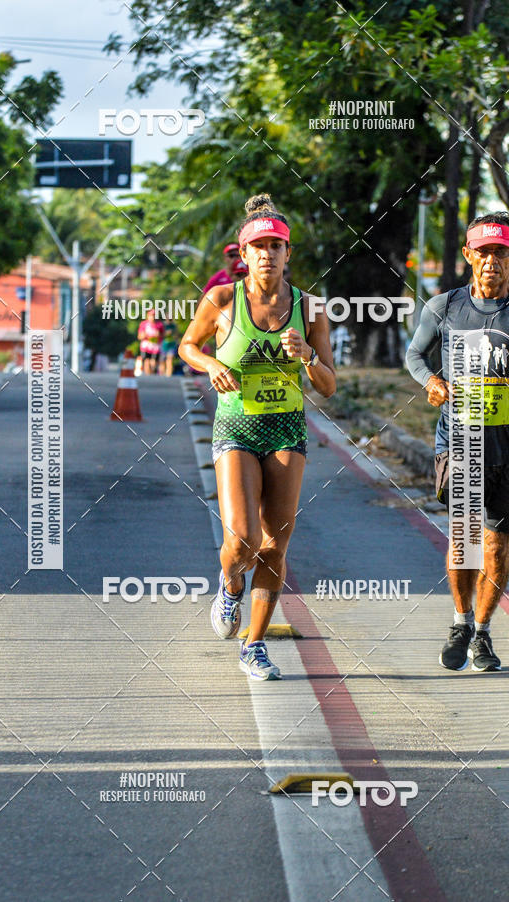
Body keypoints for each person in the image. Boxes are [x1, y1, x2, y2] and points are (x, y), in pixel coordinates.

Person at [179, 193, 336, 680]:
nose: (268, 253)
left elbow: (329, 385)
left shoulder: (309, 309)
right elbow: (187, 345)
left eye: (276, 245)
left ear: (289, 254)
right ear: (242, 255)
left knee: (275, 544)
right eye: (258, 245)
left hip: (287, 428)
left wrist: (307, 354)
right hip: (237, 426)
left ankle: (254, 644)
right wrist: (211, 365)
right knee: (243, 540)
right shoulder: (223, 300)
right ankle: (229, 586)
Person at [406, 212, 509, 672]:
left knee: (496, 545)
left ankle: (484, 633)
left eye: (501, 252)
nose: (492, 261)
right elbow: (414, 354)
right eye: (483, 251)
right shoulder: (444, 308)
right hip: (458, 443)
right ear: (469, 255)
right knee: (464, 539)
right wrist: (431, 380)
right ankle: (460, 620)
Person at [137, 308, 163, 375]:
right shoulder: (143, 324)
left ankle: (152, 373)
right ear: (148, 316)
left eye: (154, 315)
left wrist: (159, 335)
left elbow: (163, 335)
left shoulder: (159, 324)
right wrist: (144, 335)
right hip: (146, 346)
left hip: (155, 346)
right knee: (146, 361)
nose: (153, 317)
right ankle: (148, 376)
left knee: (154, 362)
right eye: (151, 315)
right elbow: (139, 336)